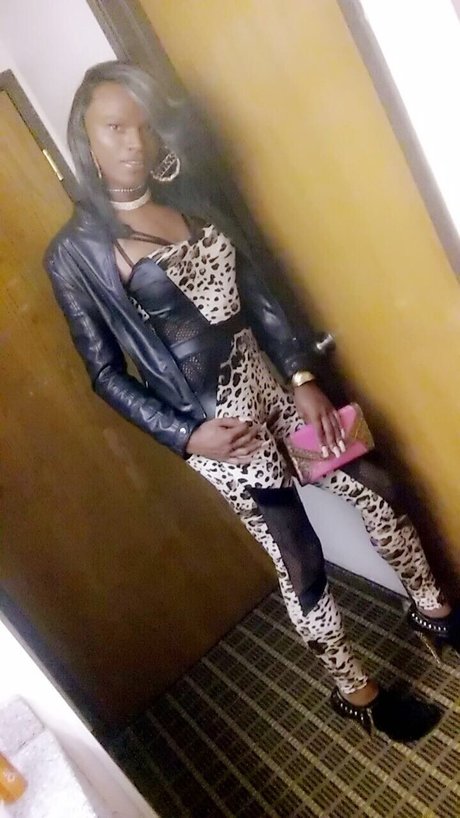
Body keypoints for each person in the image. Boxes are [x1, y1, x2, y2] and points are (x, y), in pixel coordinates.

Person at [46, 60, 458, 743]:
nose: (132, 143)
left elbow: (259, 298)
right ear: (84, 137)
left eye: (142, 126)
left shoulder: (193, 198)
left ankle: (434, 609)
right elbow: (105, 373)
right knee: (300, 554)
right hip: (222, 431)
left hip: (278, 391)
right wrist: (186, 437)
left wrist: (302, 376)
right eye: (114, 128)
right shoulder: (74, 252)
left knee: (377, 486)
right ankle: (354, 689)